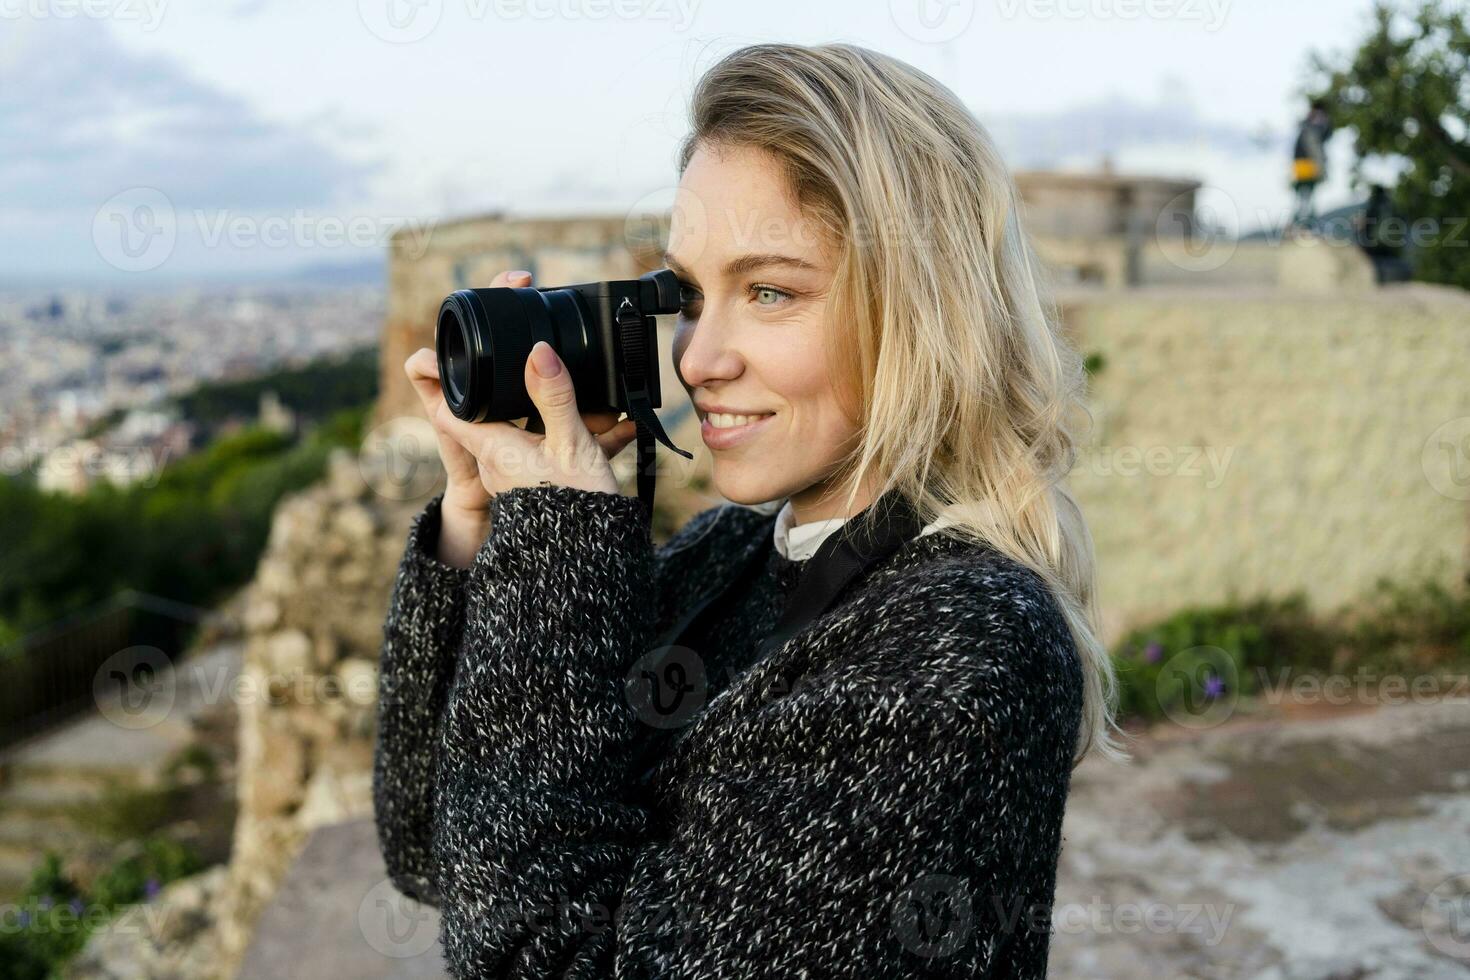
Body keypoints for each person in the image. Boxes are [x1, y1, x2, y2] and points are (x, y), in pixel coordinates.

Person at [373, 42, 1129, 978]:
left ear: (922, 310)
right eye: (691, 296)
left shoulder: (966, 649)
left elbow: (534, 954)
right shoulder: (737, 547)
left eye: (770, 291)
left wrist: (558, 551)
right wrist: (479, 532)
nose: (697, 359)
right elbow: (434, 848)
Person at [1289, 100, 1333, 232]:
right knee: (1306, 196)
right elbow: (1316, 145)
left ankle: (1302, 225)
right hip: (1307, 164)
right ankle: (1304, 225)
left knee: (1304, 196)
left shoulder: (1309, 124)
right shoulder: (1315, 125)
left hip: (1303, 164)